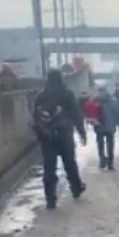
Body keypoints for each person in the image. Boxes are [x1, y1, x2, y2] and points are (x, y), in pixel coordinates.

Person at [33, 69, 87, 210]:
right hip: (65, 134)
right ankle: (76, 187)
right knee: (70, 162)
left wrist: (40, 133)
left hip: (47, 137)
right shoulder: (67, 94)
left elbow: (34, 118)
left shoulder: (41, 96)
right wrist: (82, 132)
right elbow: (76, 114)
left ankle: (50, 198)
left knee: (49, 167)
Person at [93, 85, 119, 170]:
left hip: (99, 126)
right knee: (110, 144)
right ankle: (110, 163)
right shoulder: (113, 101)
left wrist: (92, 122)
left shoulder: (95, 101)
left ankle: (102, 160)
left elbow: (90, 112)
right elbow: (118, 112)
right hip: (110, 126)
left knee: (100, 144)